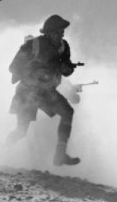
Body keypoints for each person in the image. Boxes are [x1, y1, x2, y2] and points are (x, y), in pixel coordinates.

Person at [7, 15, 81, 166]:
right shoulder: (33, 45)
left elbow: (66, 71)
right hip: (27, 92)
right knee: (21, 131)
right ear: (48, 32)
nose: (61, 34)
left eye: (62, 31)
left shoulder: (63, 47)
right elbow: (13, 67)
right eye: (58, 31)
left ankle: (60, 155)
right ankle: (2, 153)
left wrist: (66, 69)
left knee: (68, 112)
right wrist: (35, 72)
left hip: (47, 92)